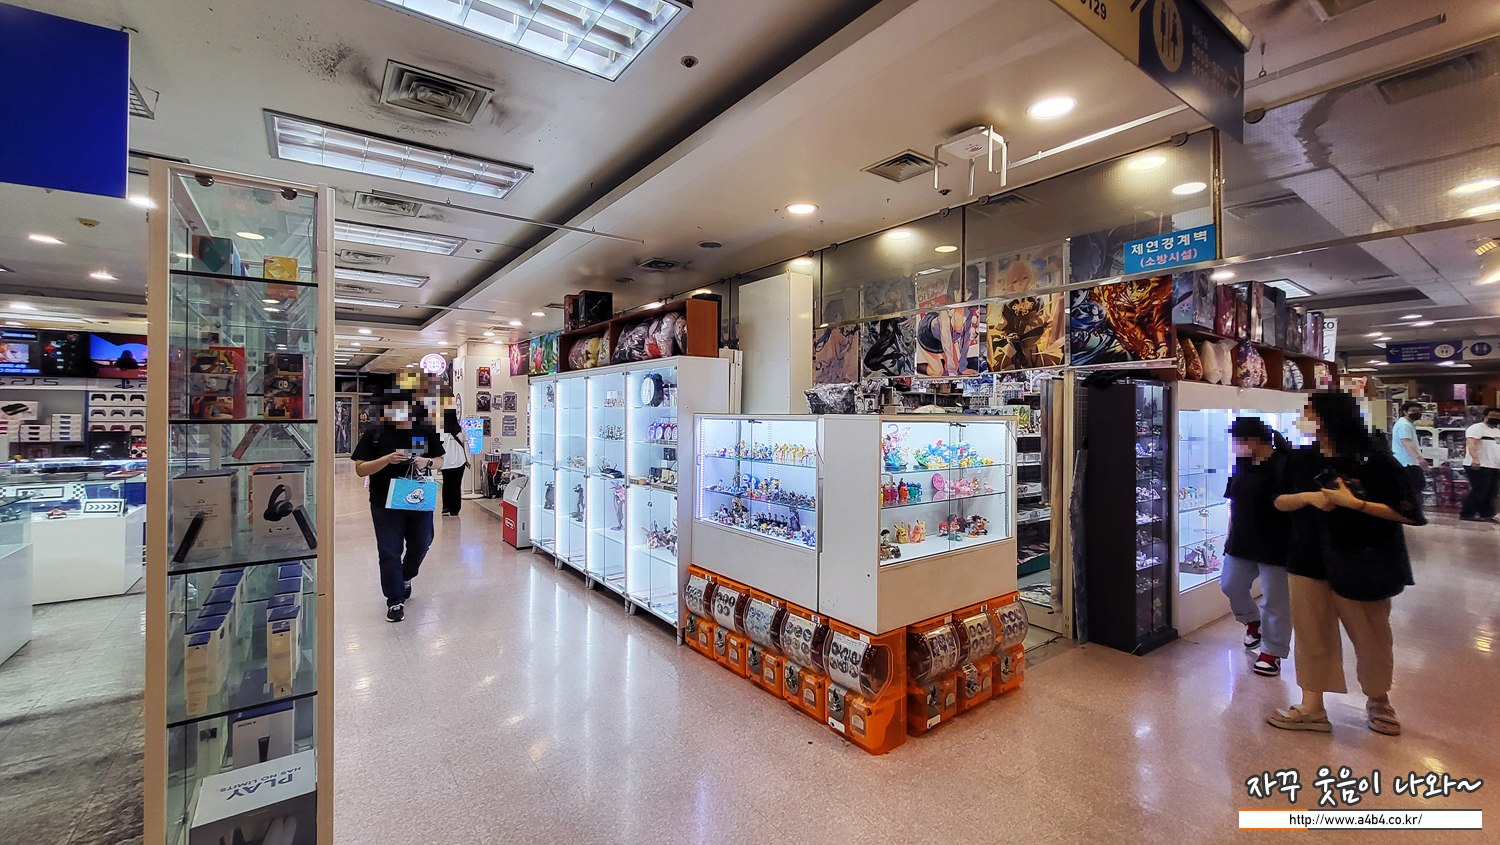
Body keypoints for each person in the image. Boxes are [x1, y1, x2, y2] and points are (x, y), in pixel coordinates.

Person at [1268, 391, 1424, 735]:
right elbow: (1278, 501)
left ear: (1327, 417)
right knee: (1311, 634)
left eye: (1308, 411)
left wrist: (1355, 504)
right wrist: (1309, 497)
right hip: (1307, 558)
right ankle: (1312, 706)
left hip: (1363, 559)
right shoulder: (1301, 458)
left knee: (1371, 636)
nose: (1303, 418)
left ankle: (1379, 699)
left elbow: (1409, 512)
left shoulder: (1375, 460)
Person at [352, 393, 442, 622]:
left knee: (422, 543)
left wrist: (427, 462)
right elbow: (361, 469)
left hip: (418, 499)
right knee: (389, 551)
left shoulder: (425, 430)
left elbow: (440, 460)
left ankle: (406, 575)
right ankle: (394, 600)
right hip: (384, 501)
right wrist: (386, 460)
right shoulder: (374, 433)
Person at [1219, 417, 1292, 677]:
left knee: (1276, 601)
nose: (1234, 447)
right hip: (1242, 540)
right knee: (1230, 585)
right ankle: (1252, 620)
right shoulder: (1242, 463)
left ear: (1254, 440)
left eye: (1238, 441)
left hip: (1276, 544)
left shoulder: (1285, 464)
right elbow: (1234, 501)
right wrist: (1229, 534)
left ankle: (1272, 652)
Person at [1460, 406, 1500, 523]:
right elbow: (1471, 443)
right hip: (1480, 464)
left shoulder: (1497, 431)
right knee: (1480, 490)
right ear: (1485, 416)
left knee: (1491, 492)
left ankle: (1487, 514)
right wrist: (1475, 459)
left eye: (1498, 416)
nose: (1495, 418)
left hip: (1493, 465)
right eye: (1492, 415)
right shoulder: (1477, 428)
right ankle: (1467, 513)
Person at [1390, 401, 1428, 494]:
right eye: (1413, 411)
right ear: (1405, 412)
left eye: (1418, 411)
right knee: (1414, 489)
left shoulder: (1408, 423)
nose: (1416, 413)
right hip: (1407, 463)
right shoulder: (1404, 425)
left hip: (1407, 462)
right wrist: (1419, 458)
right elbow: (1406, 442)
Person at [439, 409, 469, 517]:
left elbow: (438, 447)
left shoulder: (441, 431)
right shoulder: (461, 430)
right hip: (460, 461)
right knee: (456, 485)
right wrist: (468, 460)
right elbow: (466, 447)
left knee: (446, 484)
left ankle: (446, 508)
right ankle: (455, 510)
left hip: (445, 461)